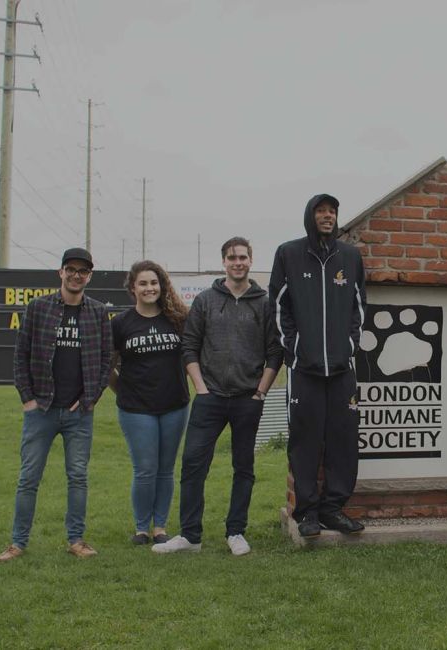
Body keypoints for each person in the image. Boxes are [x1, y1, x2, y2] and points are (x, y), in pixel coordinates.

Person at [152, 237, 282, 556]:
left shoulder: (264, 303)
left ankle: (236, 532)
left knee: (244, 467)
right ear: (223, 262)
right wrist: (201, 388)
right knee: (193, 463)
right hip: (209, 398)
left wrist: (261, 392)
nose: (237, 262)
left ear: (251, 260)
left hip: (247, 399)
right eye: (231, 257)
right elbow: (189, 346)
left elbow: (275, 352)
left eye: (242, 257)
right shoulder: (206, 300)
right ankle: (190, 536)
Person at [0, 247, 112, 562]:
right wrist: (27, 399)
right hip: (42, 410)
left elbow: (105, 362)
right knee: (29, 476)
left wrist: (90, 398)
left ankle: (76, 540)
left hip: (79, 413)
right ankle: (18, 543)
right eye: (71, 269)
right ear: (60, 272)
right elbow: (20, 355)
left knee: (78, 476)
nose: (76, 275)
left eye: (83, 271)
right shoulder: (38, 308)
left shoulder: (98, 312)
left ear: (89, 276)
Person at [270, 193, 368, 538]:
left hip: (342, 369)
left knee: (343, 438)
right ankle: (307, 511)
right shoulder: (289, 254)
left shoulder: (351, 257)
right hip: (304, 369)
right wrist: (295, 350)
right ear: (309, 216)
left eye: (332, 211)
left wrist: (351, 345)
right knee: (305, 440)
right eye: (321, 211)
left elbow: (359, 308)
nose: (327, 216)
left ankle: (333, 508)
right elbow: (279, 308)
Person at [109, 260, 189, 546]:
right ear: (133, 288)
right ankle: (142, 528)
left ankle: (160, 527)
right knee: (145, 469)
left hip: (174, 406)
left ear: (162, 285)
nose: (149, 288)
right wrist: (124, 391)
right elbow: (110, 366)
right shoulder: (120, 323)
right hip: (135, 408)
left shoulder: (177, 319)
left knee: (166, 469)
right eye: (142, 283)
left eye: (153, 282)